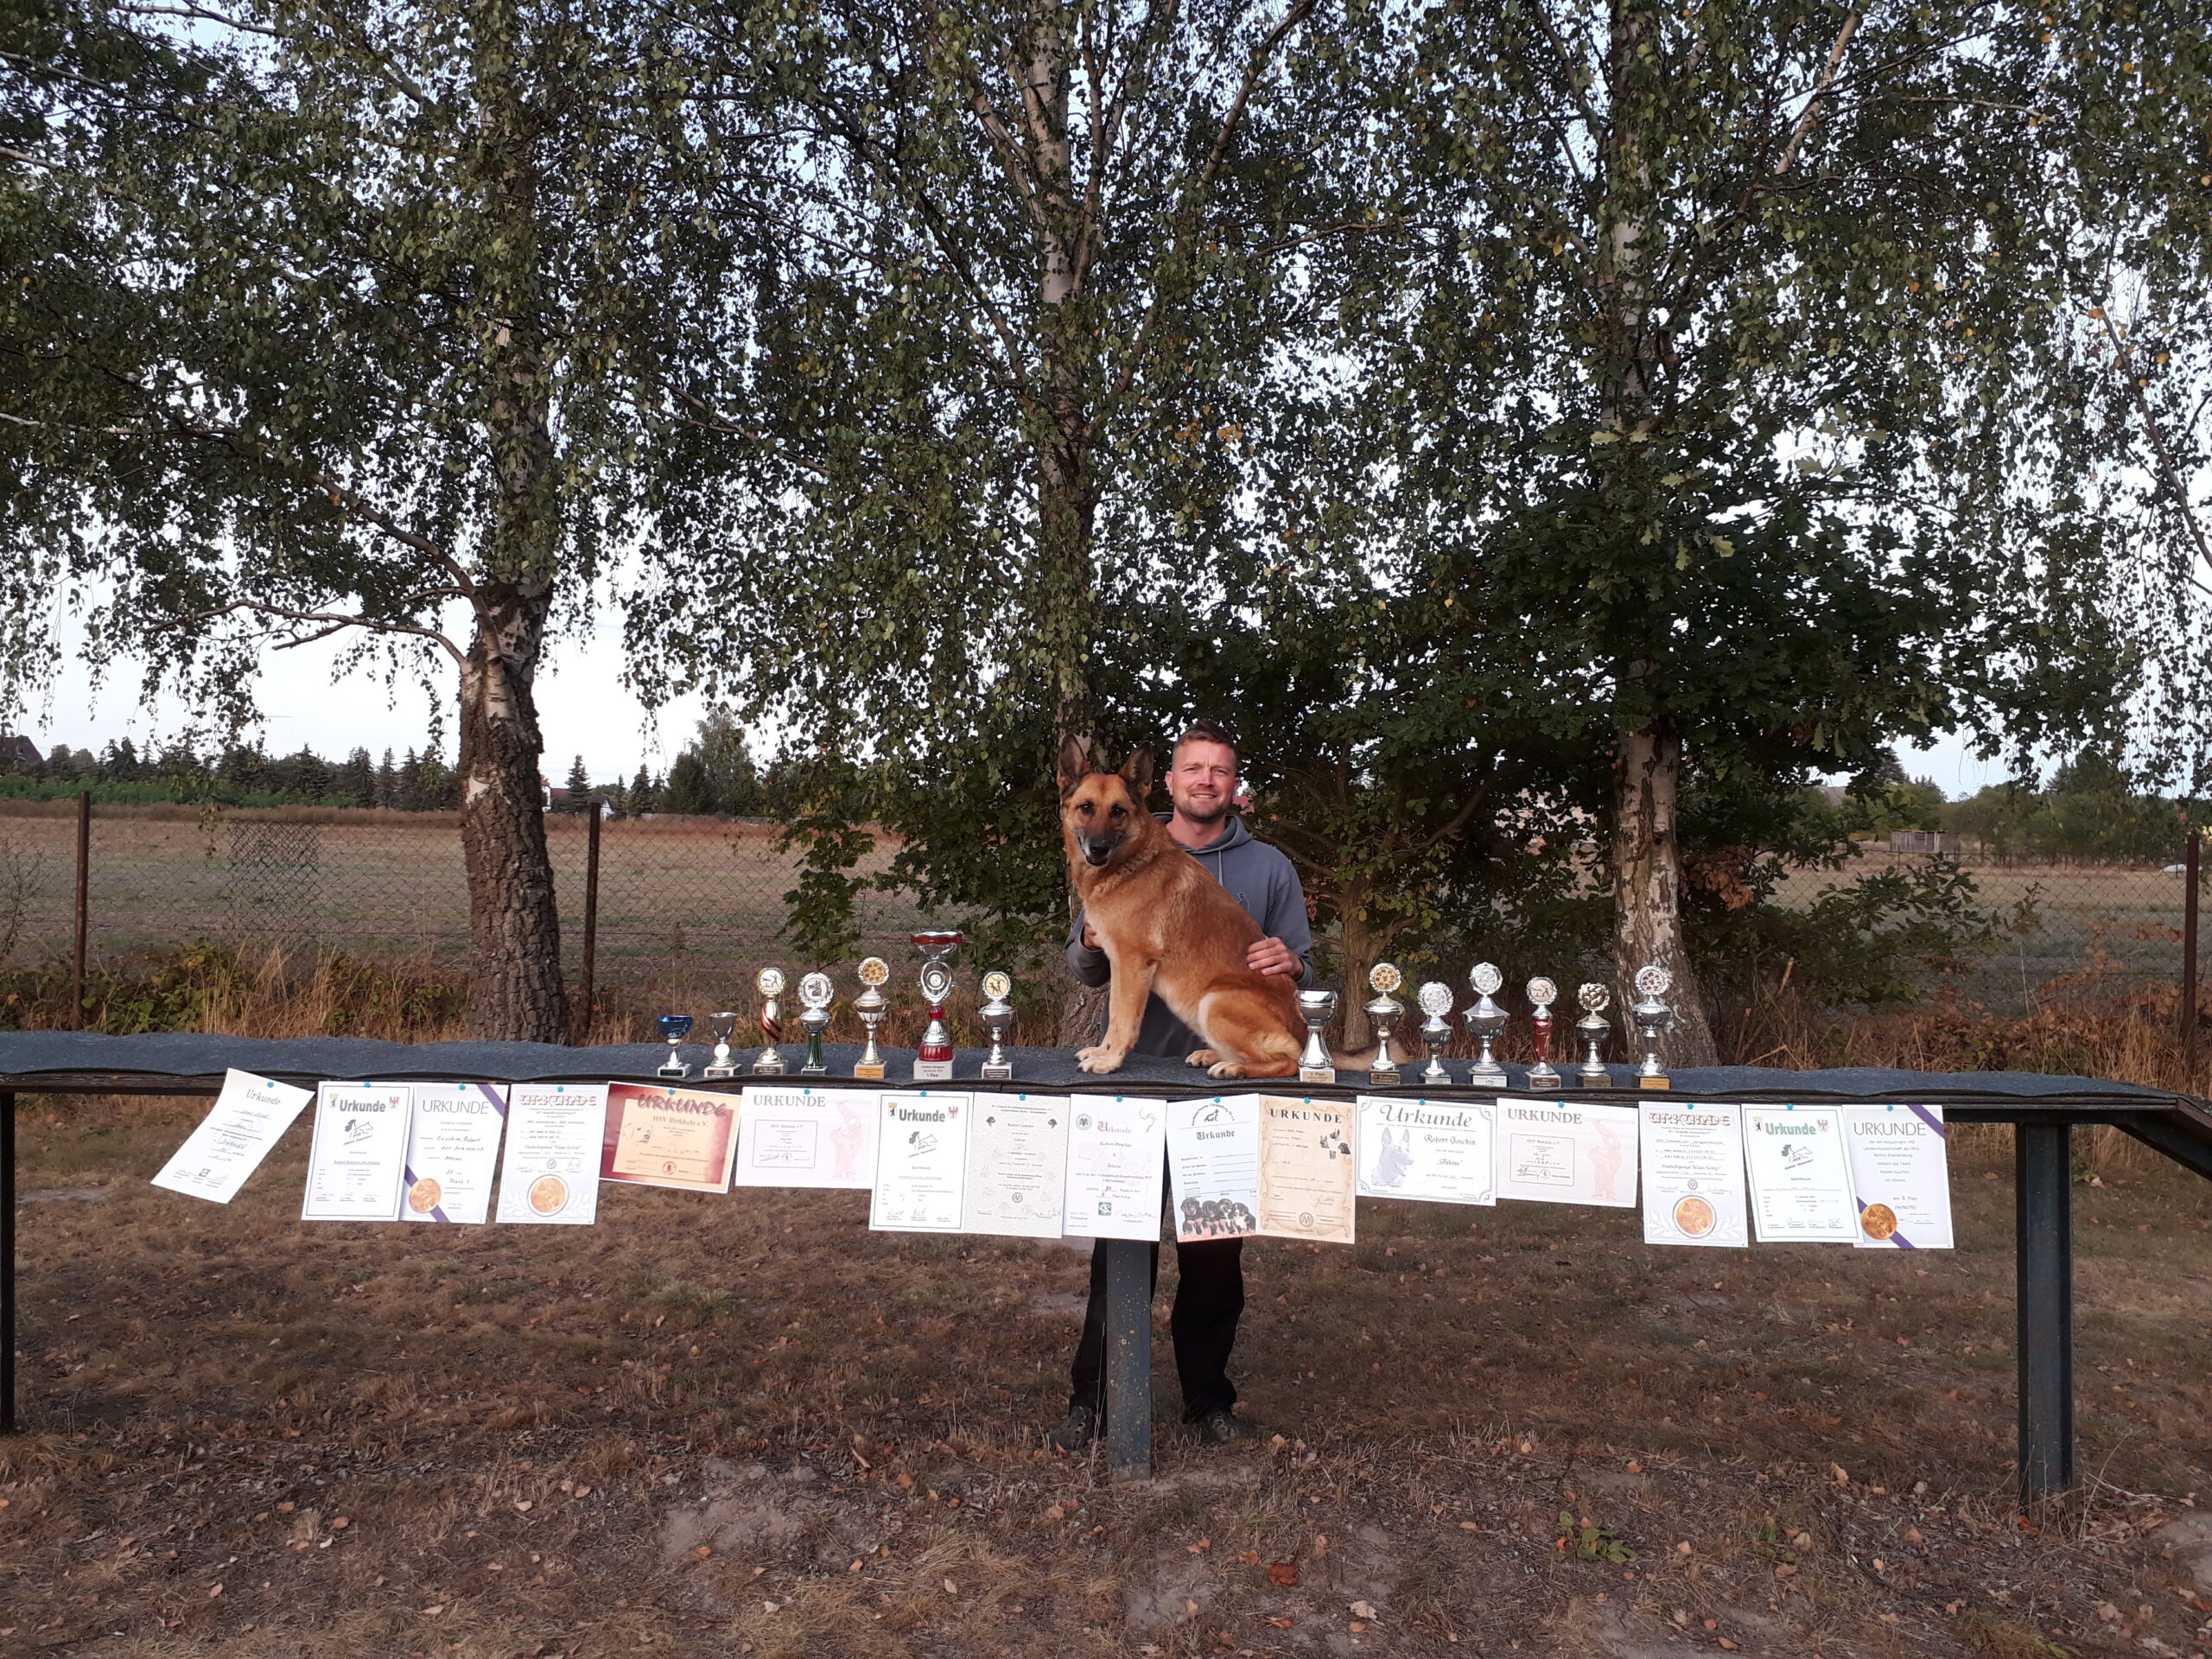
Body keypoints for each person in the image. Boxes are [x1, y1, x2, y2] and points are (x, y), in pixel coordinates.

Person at [1047, 717, 1313, 1452]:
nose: (1205, 780)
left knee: (1215, 1259)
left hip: (1224, 1083)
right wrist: (1090, 940)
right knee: (1118, 1249)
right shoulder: (1119, 858)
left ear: (1233, 784)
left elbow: (1302, 969)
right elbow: (1090, 963)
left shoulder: (1269, 869)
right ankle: (1091, 1404)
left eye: (1219, 770)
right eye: (1193, 768)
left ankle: (1209, 1403)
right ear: (1167, 783)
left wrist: (1291, 962)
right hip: (1141, 1085)